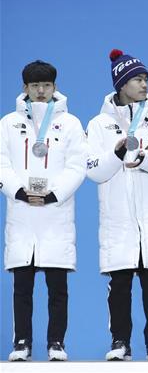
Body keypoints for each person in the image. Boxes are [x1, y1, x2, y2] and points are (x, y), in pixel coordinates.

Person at [85, 50, 148, 361]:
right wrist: (115, 154)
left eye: (146, 79)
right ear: (121, 83)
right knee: (120, 283)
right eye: (138, 79)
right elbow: (93, 170)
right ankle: (119, 343)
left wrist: (146, 158)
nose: (144, 84)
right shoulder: (99, 124)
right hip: (118, 218)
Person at [1, 61, 87, 362]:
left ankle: (56, 343)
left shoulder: (71, 124)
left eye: (46, 85)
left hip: (56, 214)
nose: (41, 91)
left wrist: (53, 194)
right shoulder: (8, 123)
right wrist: (19, 191)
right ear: (25, 88)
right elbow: (1, 164)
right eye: (35, 85)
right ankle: (22, 343)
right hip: (22, 213)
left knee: (57, 287)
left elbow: (78, 166)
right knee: (21, 287)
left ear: (54, 87)